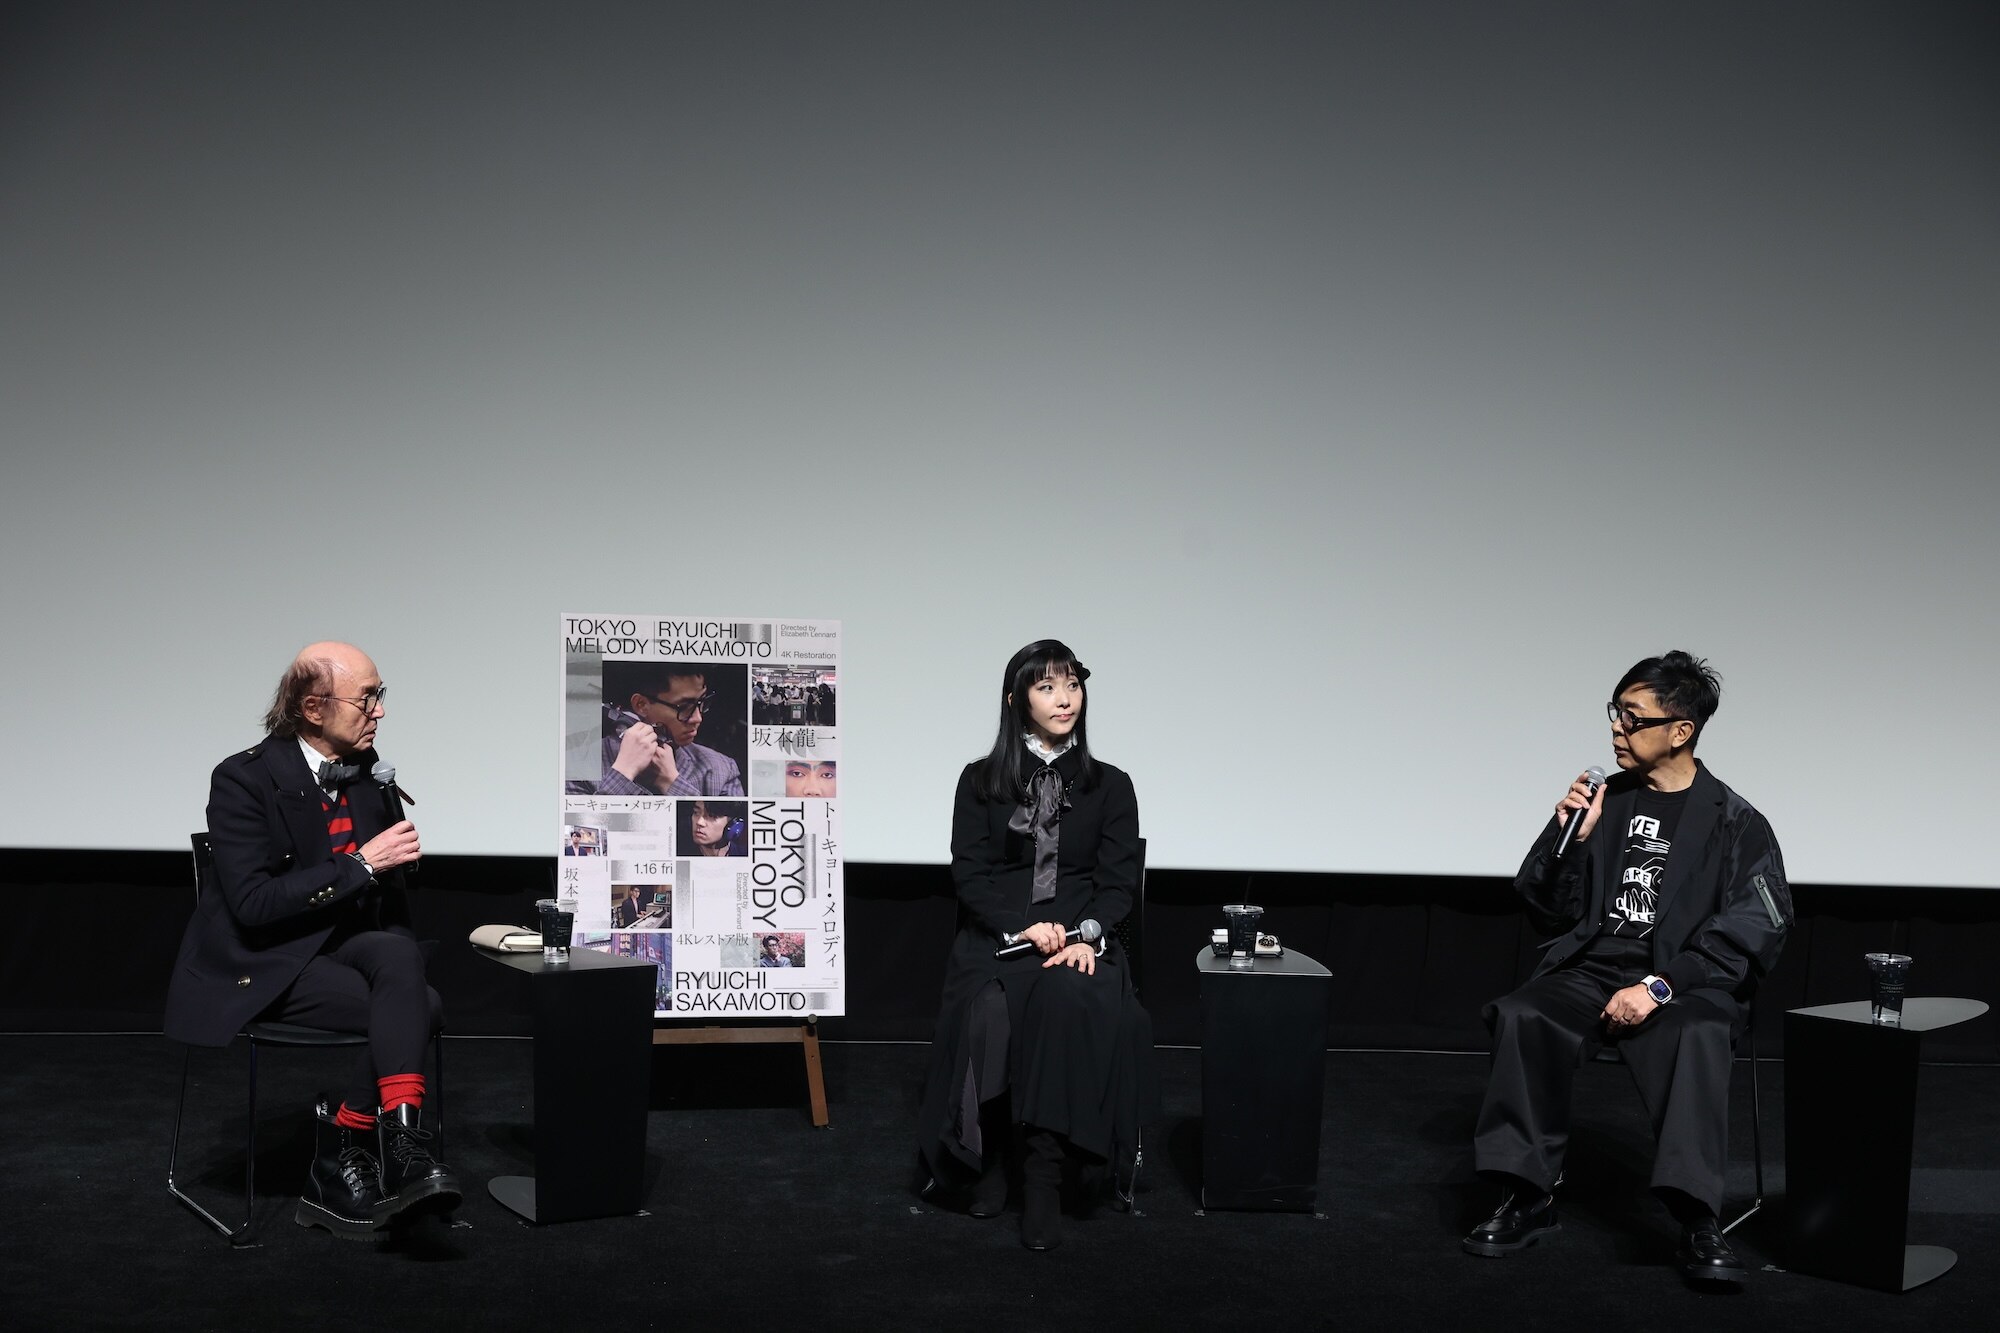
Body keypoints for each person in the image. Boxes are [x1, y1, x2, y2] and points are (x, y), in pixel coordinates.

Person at [1464, 651, 1791, 1285]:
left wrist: (1659, 986)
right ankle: (1527, 1195)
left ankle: (1697, 1217)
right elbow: (1546, 912)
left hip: (1682, 982)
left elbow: (1757, 925)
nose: (1617, 728)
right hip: (1591, 972)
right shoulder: (1603, 802)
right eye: (1615, 713)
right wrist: (1570, 843)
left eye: (1633, 717)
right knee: (1525, 1014)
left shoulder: (1735, 822)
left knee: (1697, 1032)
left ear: (1681, 730)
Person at [164, 642, 459, 1240]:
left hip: (343, 945)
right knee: (421, 1008)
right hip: (265, 958)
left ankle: (388, 1147)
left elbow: (388, 905)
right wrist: (363, 865)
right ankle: (352, 1144)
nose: (379, 711)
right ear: (313, 708)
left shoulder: (367, 771)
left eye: (380, 695)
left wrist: (390, 891)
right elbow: (253, 904)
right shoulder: (243, 778)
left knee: (400, 959)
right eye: (367, 698)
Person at [915, 639, 1151, 1251]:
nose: (1064, 698)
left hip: (1079, 939)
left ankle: (1044, 1176)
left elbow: (1117, 883)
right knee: (992, 1008)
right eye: (1047, 687)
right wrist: (1016, 928)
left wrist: (1087, 935)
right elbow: (970, 873)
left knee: (1064, 997)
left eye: (1072, 684)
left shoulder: (1112, 785)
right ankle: (989, 1159)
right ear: (1017, 700)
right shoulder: (979, 780)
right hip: (1001, 937)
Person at [595, 662, 744, 797]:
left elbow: (717, 818)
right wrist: (623, 772)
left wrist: (671, 782)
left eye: (702, 702)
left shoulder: (722, 769)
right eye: (684, 707)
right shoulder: (584, 765)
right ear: (641, 704)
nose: (698, 718)